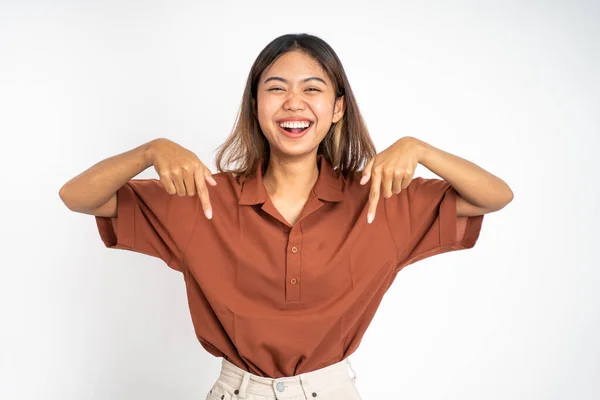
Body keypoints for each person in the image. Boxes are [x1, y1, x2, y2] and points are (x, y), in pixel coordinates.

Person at [59, 33, 513, 400]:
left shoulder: (379, 197)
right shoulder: (203, 198)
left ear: (337, 109)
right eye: (276, 89)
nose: (293, 102)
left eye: (312, 89)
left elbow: (495, 197)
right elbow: (77, 197)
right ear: (256, 107)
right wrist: (149, 150)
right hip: (236, 391)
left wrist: (421, 148)